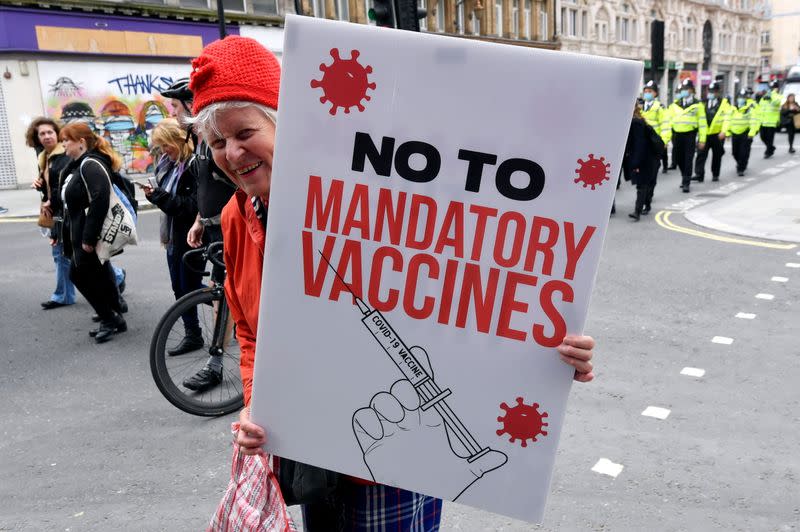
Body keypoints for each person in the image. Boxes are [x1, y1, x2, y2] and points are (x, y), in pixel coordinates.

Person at [188, 36, 598, 531]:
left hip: (397, 460)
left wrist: (543, 354)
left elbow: (479, 288)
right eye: (216, 142)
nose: (231, 153)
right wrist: (257, 401)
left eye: (244, 132)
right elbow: (252, 331)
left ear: (285, 121)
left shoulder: (374, 194)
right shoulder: (238, 216)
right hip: (314, 446)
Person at [159, 78, 237, 391]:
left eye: (175, 106)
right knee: (223, 296)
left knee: (237, 297)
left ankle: (236, 363)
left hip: (233, 231)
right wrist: (199, 221)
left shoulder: (218, 141)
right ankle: (217, 363)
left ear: (193, 105)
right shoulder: (203, 142)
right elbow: (207, 189)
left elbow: (242, 189)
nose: (172, 113)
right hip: (216, 231)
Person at [143, 119, 206, 360]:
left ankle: (227, 310)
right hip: (173, 236)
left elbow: (191, 207)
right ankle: (195, 332)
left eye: (166, 145)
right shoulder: (170, 165)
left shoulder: (192, 167)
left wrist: (159, 197)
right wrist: (156, 196)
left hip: (191, 236)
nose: (163, 151)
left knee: (188, 287)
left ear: (178, 141)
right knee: (180, 287)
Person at [59, 123, 127, 343]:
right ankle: (115, 316)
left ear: (81, 142)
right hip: (77, 231)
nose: (64, 144)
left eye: (66, 140)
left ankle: (110, 318)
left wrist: (89, 237)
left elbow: (100, 199)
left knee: (78, 275)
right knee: (99, 274)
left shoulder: (90, 164)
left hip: (87, 234)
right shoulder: (77, 164)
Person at [25, 117, 75, 310]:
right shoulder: (45, 156)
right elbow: (50, 185)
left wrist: (50, 201)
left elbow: (62, 187)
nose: (46, 136)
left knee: (69, 254)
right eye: (42, 134)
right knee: (64, 254)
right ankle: (64, 294)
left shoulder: (63, 156)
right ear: (37, 138)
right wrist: (40, 186)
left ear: (57, 133)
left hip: (65, 212)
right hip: (56, 210)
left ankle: (117, 276)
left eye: (50, 132)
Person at [668, 79, 706, 193]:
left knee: (688, 159)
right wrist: (668, 136)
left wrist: (702, 140)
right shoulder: (675, 104)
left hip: (690, 135)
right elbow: (669, 121)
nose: (684, 91)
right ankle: (684, 175)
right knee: (678, 159)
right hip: (677, 135)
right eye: (683, 89)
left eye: (686, 89)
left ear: (692, 90)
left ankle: (686, 182)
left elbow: (703, 123)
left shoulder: (698, 105)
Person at [624, 105, 660, 220]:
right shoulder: (639, 120)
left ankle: (637, 211)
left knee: (642, 184)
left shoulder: (635, 123)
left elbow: (639, 144)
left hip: (645, 157)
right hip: (649, 157)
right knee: (647, 182)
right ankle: (647, 205)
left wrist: (636, 163)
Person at [693, 81, 731, 183]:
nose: (711, 93)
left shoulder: (724, 104)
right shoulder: (702, 103)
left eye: (713, 91)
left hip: (717, 135)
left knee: (717, 155)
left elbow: (727, 118)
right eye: (709, 91)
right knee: (701, 154)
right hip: (704, 134)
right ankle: (699, 174)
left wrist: (724, 131)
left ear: (718, 92)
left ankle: (715, 174)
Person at [727, 89, 760, 176]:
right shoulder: (732, 108)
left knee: (743, 152)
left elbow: (753, 121)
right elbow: (728, 120)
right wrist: (727, 132)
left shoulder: (750, 109)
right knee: (735, 152)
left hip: (745, 133)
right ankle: (740, 163)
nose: (741, 99)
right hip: (735, 133)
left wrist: (752, 133)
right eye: (739, 97)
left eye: (743, 97)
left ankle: (741, 168)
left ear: (746, 98)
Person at [640, 81, 671, 175]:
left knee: (653, 167)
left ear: (655, 93)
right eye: (645, 91)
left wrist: (664, 141)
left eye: (650, 91)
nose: (647, 93)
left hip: (655, 141)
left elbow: (665, 125)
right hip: (642, 140)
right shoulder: (639, 106)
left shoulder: (659, 107)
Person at [758, 80, 782, 158]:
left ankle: (768, 152)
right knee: (762, 137)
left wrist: (771, 97)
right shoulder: (765, 96)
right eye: (771, 87)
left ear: (777, 88)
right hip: (763, 120)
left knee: (770, 138)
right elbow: (760, 107)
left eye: (774, 87)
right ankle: (771, 147)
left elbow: (776, 102)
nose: (772, 89)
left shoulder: (778, 96)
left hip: (772, 121)